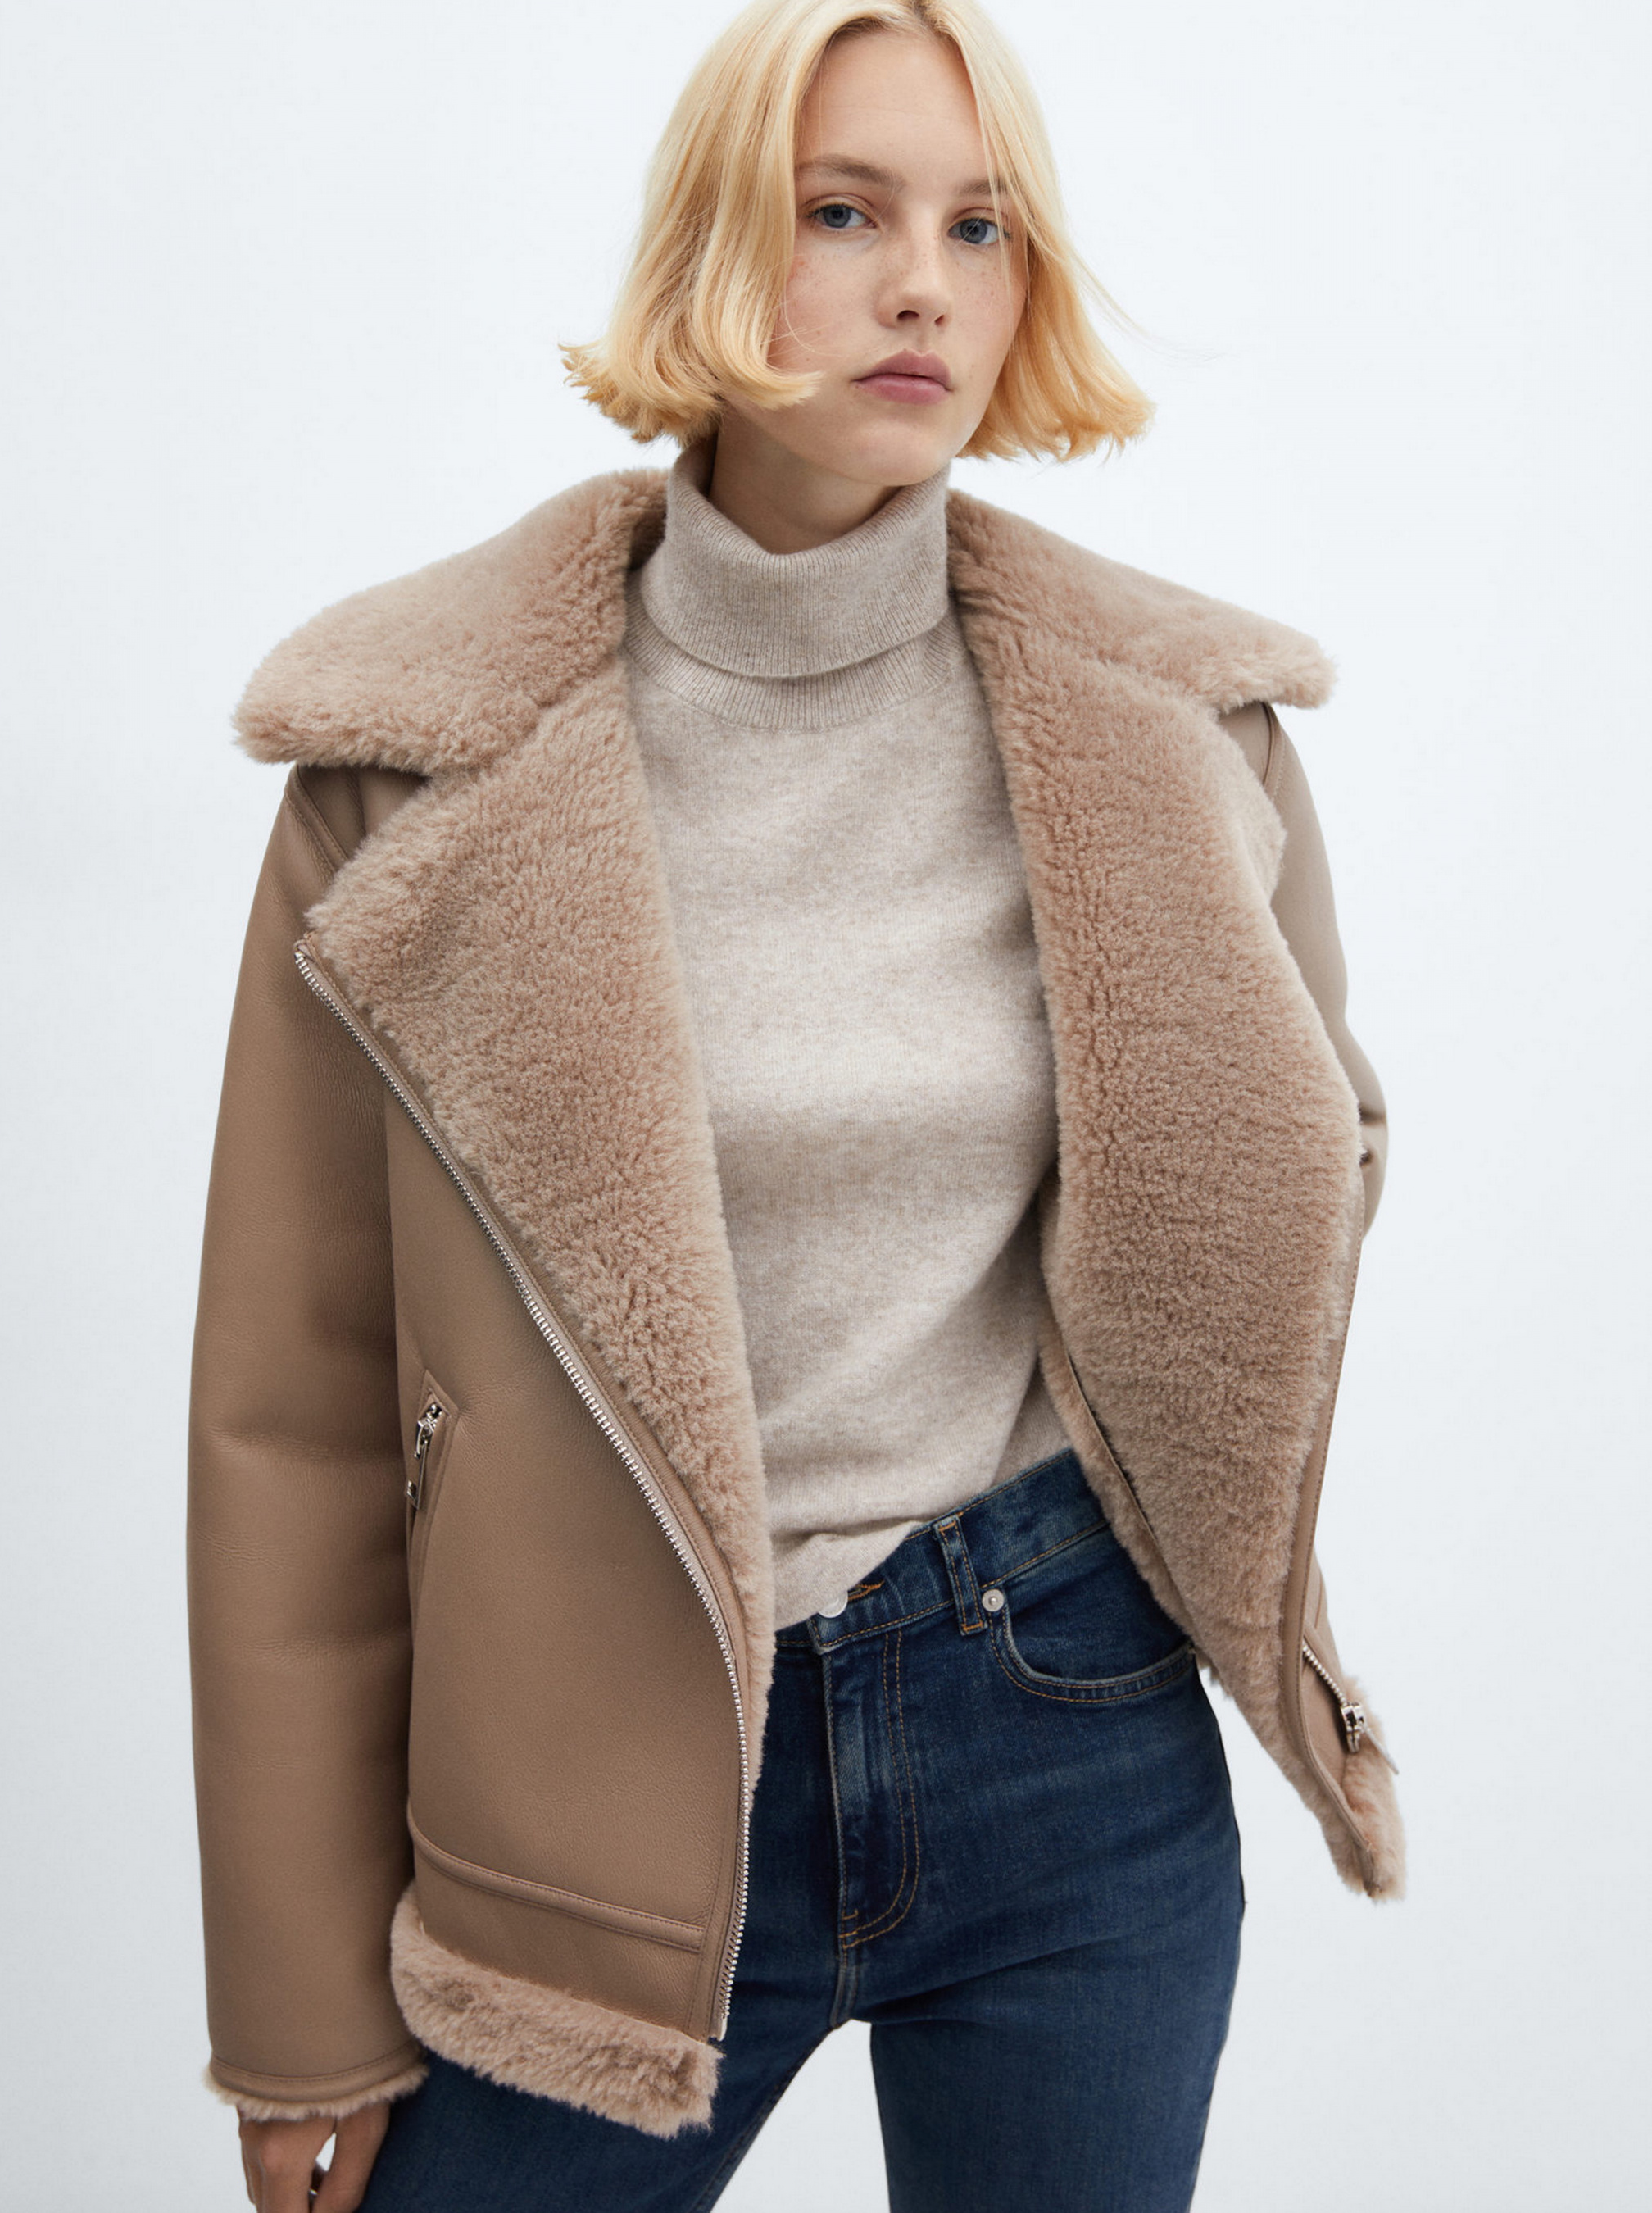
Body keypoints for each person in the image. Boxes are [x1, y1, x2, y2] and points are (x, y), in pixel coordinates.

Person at [188, 1, 1404, 2206]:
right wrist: (296, 2016)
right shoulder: (417, 759)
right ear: (707, 252)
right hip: (590, 1783)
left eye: (979, 227)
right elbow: (292, 1416)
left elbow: (1294, 1181)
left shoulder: (1178, 728)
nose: (921, 283)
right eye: (843, 213)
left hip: (1063, 1724)